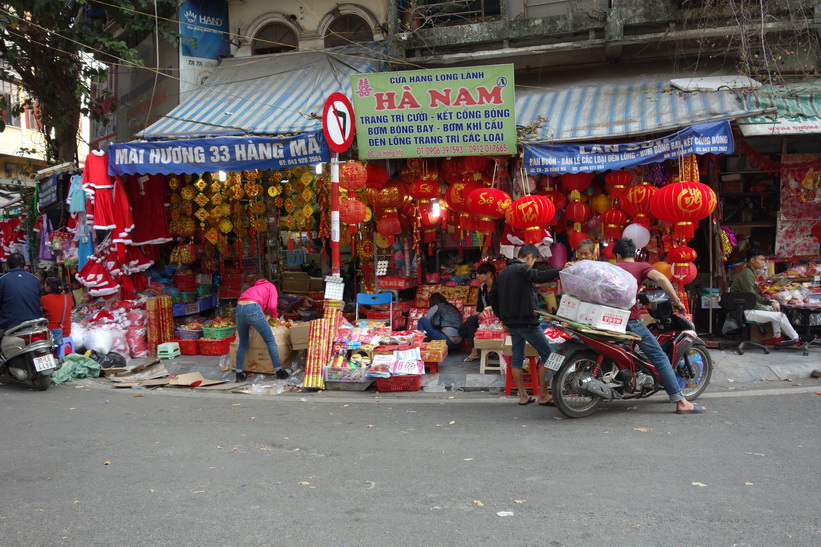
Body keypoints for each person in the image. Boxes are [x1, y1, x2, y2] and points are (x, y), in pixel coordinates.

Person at [612, 238, 705, 414]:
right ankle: (681, 401)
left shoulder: (612, 268)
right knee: (659, 356)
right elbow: (661, 278)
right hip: (630, 321)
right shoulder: (641, 267)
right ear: (634, 253)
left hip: (607, 319)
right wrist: (677, 300)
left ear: (617, 255)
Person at [489, 244, 560, 406]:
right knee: (549, 355)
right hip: (528, 322)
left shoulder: (503, 273)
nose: (532, 264)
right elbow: (538, 276)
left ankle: (523, 396)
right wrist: (561, 271)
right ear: (529, 257)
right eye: (533, 261)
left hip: (512, 323)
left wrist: (502, 317)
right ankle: (543, 395)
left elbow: (493, 296)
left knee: (517, 359)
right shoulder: (522, 269)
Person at [729, 248, 811, 346]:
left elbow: (753, 295)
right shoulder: (747, 274)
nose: (764, 262)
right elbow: (751, 297)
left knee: (774, 308)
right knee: (781, 316)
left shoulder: (749, 272)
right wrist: (764, 307)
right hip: (745, 310)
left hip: (745, 307)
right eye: (761, 259)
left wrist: (769, 303)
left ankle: (777, 338)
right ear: (752, 260)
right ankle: (798, 339)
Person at [235, 279, 287, 382]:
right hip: (253, 308)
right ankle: (279, 372)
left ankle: (239, 374)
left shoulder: (254, 288)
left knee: (243, 343)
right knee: (270, 341)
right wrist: (274, 317)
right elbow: (272, 306)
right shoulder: (270, 286)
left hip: (239, 308)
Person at [460, 262, 497, 362]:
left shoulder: (499, 286)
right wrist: (479, 313)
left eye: (480, 274)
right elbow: (480, 306)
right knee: (462, 329)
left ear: (488, 274)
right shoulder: (482, 287)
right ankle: (486, 347)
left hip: (498, 316)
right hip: (486, 316)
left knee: (471, 321)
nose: (477, 276)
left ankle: (474, 352)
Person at [0, 253, 45, 333]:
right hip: (35, 322)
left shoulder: (3, 280)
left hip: (9, 324)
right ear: (24, 264)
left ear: (8, 265)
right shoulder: (35, 280)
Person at [41, 277, 73, 350]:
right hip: (66, 331)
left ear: (49, 287)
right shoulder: (67, 297)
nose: (44, 286)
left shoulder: (45, 299)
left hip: (52, 334)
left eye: (45, 284)